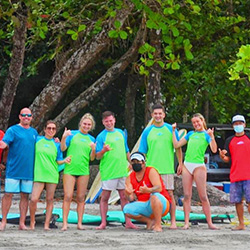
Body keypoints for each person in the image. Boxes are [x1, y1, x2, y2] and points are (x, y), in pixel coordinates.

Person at [138, 103, 183, 229]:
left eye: (160, 113)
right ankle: (154, 221)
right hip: (152, 169)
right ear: (152, 115)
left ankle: (173, 221)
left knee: (169, 194)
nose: (158, 116)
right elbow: (143, 151)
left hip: (167, 167)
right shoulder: (147, 131)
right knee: (152, 195)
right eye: (155, 114)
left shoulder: (170, 129)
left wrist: (180, 163)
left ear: (164, 114)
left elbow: (178, 147)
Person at [172, 113, 219, 230]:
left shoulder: (206, 135)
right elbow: (177, 144)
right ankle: (186, 222)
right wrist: (173, 131)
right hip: (187, 165)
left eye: (198, 122)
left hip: (199, 166)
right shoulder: (190, 134)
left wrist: (212, 136)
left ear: (202, 121)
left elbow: (214, 149)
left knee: (203, 196)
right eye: (194, 123)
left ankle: (210, 223)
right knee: (187, 195)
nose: (196, 124)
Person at [95, 111, 137, 230]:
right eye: (106, 121)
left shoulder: (120, 133)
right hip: (109, 171)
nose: (109, 123)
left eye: (111, 120)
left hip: (122, 170)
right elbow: (97, 156)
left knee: (124, 197)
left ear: (114, 120)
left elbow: (126, 150)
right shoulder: (101, 136)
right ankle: (103, 222)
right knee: (105, 197)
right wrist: (103, 150)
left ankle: (128, 222)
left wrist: (131, 162)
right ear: (103, 122)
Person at [0, 108, 38, 231]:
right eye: (24, 115)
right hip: (13, 169)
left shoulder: (34, 132)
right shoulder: (12, 130)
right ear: (19, 116)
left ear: (31, 117)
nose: (26, 117)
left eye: (28, 115)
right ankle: (3, 221)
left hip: (28, 171)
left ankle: (22, 223)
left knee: (25, 196)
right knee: (8, 195)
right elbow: (4, 145)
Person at [29, 121, 71, 230]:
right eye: (49, 128)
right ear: (44, 129)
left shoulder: (56, 144)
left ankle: (47, 224)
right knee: (34, 199)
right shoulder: (37, 140)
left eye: (53, 128)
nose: (51, 130)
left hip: (52, 174)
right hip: (39, 174)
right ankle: (32, 221)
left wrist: (65, 160)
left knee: (50, 199)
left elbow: (58, 160)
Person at [60, 113, 96, 231]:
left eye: (88, 125)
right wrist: (64, 137)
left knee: (81, 197)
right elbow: (63, 148)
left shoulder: (92, 139)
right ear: (81, 123)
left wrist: (94, 149)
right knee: (68, 196)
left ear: (91, 126)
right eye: (84, 123)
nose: (86, 126)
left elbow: (92, 158)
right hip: (70, 169)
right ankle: (65, 223)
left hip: (83, 171)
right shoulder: (73, 134)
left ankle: (79, 223)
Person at [123, 152, 171, 232]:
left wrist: (148, 190)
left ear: (143, 163)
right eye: (133, 162)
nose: (136, 164)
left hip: (161, 203)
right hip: (145, 204)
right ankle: (149, 221)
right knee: (127, 209)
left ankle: (158, 225)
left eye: (138, 162)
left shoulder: (150, 171)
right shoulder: (130, 177)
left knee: (154, 196)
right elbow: (131, 198)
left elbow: (159, 188)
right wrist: (127, 193)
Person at [219, 115, 250, 230]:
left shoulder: (249, 138)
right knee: (237, 201)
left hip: (248, 175)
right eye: (236, 124)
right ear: (233, 126)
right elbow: (228, 159)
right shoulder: (229, 141)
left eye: (240, 123)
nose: (238, 126)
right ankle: (241, 224)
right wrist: (222, 156)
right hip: (235, 175)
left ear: (244, 124)